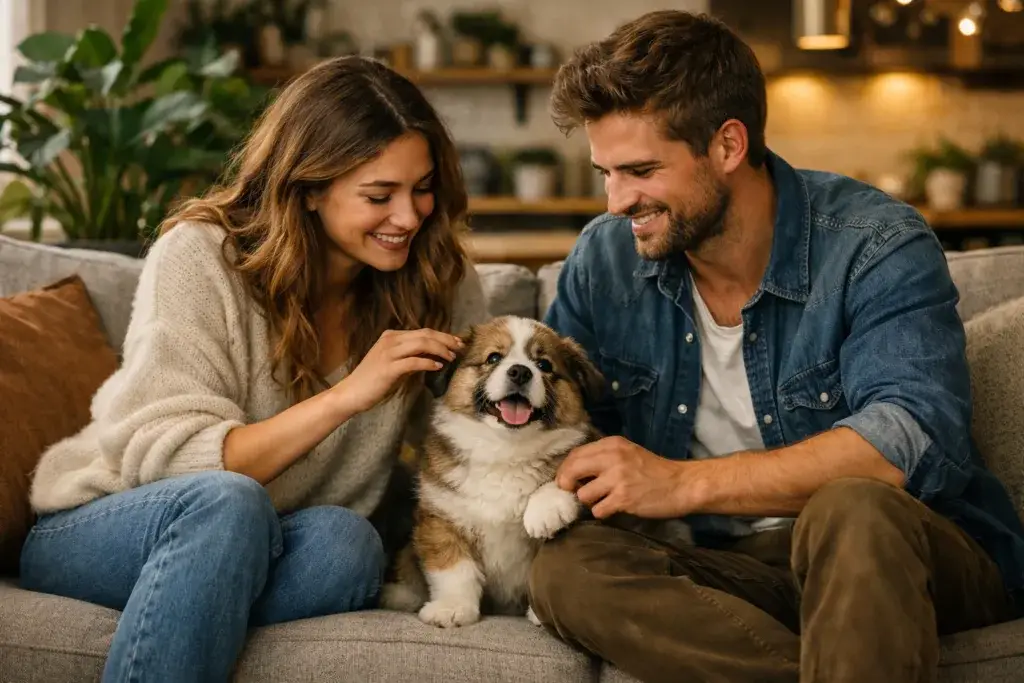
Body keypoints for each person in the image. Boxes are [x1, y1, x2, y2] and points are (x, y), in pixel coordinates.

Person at [529, 10, 1024, 683]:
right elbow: (565, 426)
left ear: (728, 145)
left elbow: (904, 444)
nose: (617, 201)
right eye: (605, 173)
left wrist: (679, 482)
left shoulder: (873, 244)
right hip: (727, 569)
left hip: (900, 553)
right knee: (565, 567)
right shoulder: (605, 261)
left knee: (851, 503)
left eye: (640, 170)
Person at [19, 55, 488, 683]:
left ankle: (188, 606)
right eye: (380, 195)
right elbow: (171, 459)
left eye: (423, 187)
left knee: (349, 545)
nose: (409, 217)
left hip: (275, 537)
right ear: (310, 187)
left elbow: (467, 441)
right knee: (229, 504)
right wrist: (348, 395)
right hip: (112, 524)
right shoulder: (201, 256)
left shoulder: (436, 277)